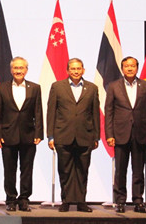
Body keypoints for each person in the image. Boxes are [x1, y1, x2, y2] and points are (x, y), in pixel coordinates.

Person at [47, 57, 99, 213]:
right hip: (63, 135)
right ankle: (66, 201)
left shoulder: (92, 88)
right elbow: (51, 112)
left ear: (83, 70)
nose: (76, 71)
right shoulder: (57, 87)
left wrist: (96, 137)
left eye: (78, 68)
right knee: (65, 171)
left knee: (82, 171)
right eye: (73, 69)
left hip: (85, 136)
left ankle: (81, 202)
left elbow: (95, 113)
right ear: (67, 70)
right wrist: (51, 136)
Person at [104, 56, 146, 213]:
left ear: (137, 68)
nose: (130, 68)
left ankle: (138, 200)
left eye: (132, 65)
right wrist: (109, 134)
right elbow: (109, 111)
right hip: (120, 133)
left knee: (138, 170)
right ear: (122, 68)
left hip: (141, 133)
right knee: (120, 170)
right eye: (126, 66)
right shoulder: (113, 86)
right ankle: (120, 201)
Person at [0, 56, 43, 212]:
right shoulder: (2, 88)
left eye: (21, 68)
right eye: (15, 68)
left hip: (29, 135)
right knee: (9, 170)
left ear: (26, 70)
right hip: (7, 135)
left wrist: (39, 133)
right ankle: (10, 199)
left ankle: (24, 200)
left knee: (27, 170)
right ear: (11, 70)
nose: (18, 71)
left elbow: (38, 112)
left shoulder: (35, 88)